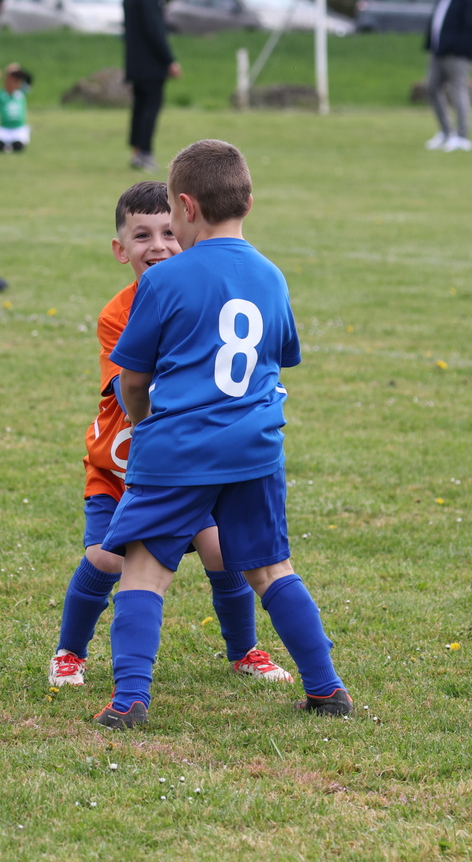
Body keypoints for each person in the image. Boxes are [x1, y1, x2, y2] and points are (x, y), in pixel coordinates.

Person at [93, 139, 351, 729]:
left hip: (177, 448)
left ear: (185, 207)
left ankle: (130, 700)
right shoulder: (271, 276)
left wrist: (143, 423)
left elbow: (133, 379)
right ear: (248, 203)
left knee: (144, 570)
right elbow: (278, 358)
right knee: (271, 569)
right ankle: (326, 688)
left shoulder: (163, 280)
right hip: (255, 448)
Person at [48, 180, 292, 691]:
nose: (158, 246)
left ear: (189, 228)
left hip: (186, 464)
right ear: (121, 249)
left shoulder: (202, 295)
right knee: (107, 557)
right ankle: (70, 651)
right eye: (142, 236)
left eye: (168, 232)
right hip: (123, 469)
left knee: (223, 551)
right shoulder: (117, 314)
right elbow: (132, 390)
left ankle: (244, 650)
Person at [122, 0, 181, 173]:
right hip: (150, 63)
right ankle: (145, 153)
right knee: (150, 107)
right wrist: (169, 60)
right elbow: (155, 31)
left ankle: (137, 152)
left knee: (139, 107)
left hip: (135, 61)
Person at [422, 0, 472, 152]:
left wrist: (460, 50)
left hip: (457, 55)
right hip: (438, 52)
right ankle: (446, 132)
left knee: (457, 91)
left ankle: (462, 136)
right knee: (432, 88)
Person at [0, 64, 32, 151]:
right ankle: (8, 147)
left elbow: (29, 78)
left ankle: (9, 147)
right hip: (4, 129)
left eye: (14, 82)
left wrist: (17, 71)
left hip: (18, 129)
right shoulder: (0, 94)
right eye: (8, 82)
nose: (11, 85)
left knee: (18, 146)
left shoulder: (21, 93)